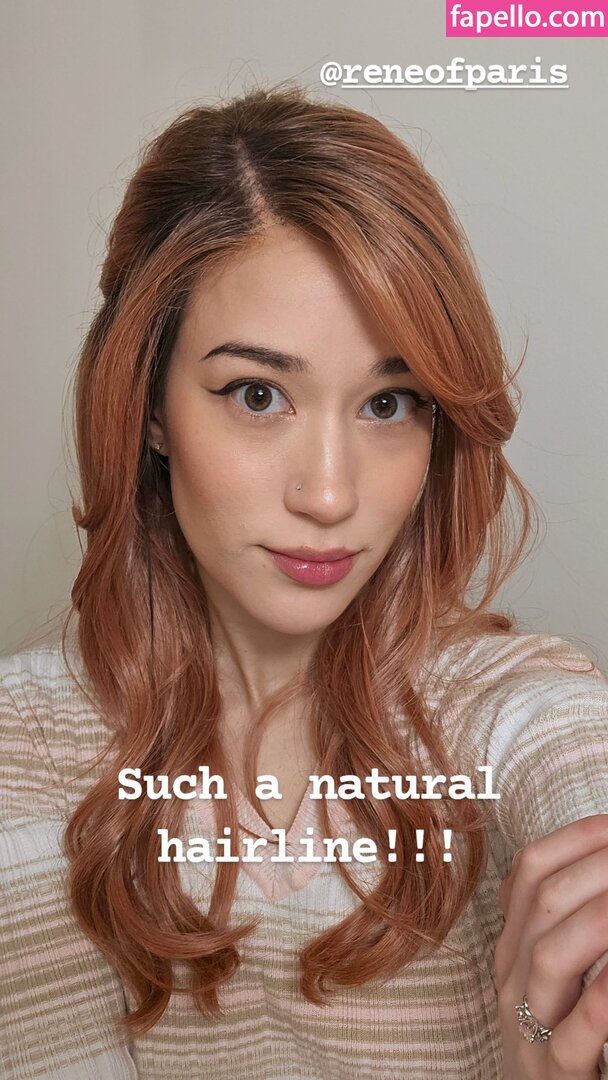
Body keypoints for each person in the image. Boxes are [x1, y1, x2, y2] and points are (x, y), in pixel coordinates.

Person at [1, 83, 607, 1080]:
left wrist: (544, 1049)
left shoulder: (506, 712)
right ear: (148, 405)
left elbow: (571, 758)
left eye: (389, 403)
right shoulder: (19, 757)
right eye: (258, 394)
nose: (329, 494)